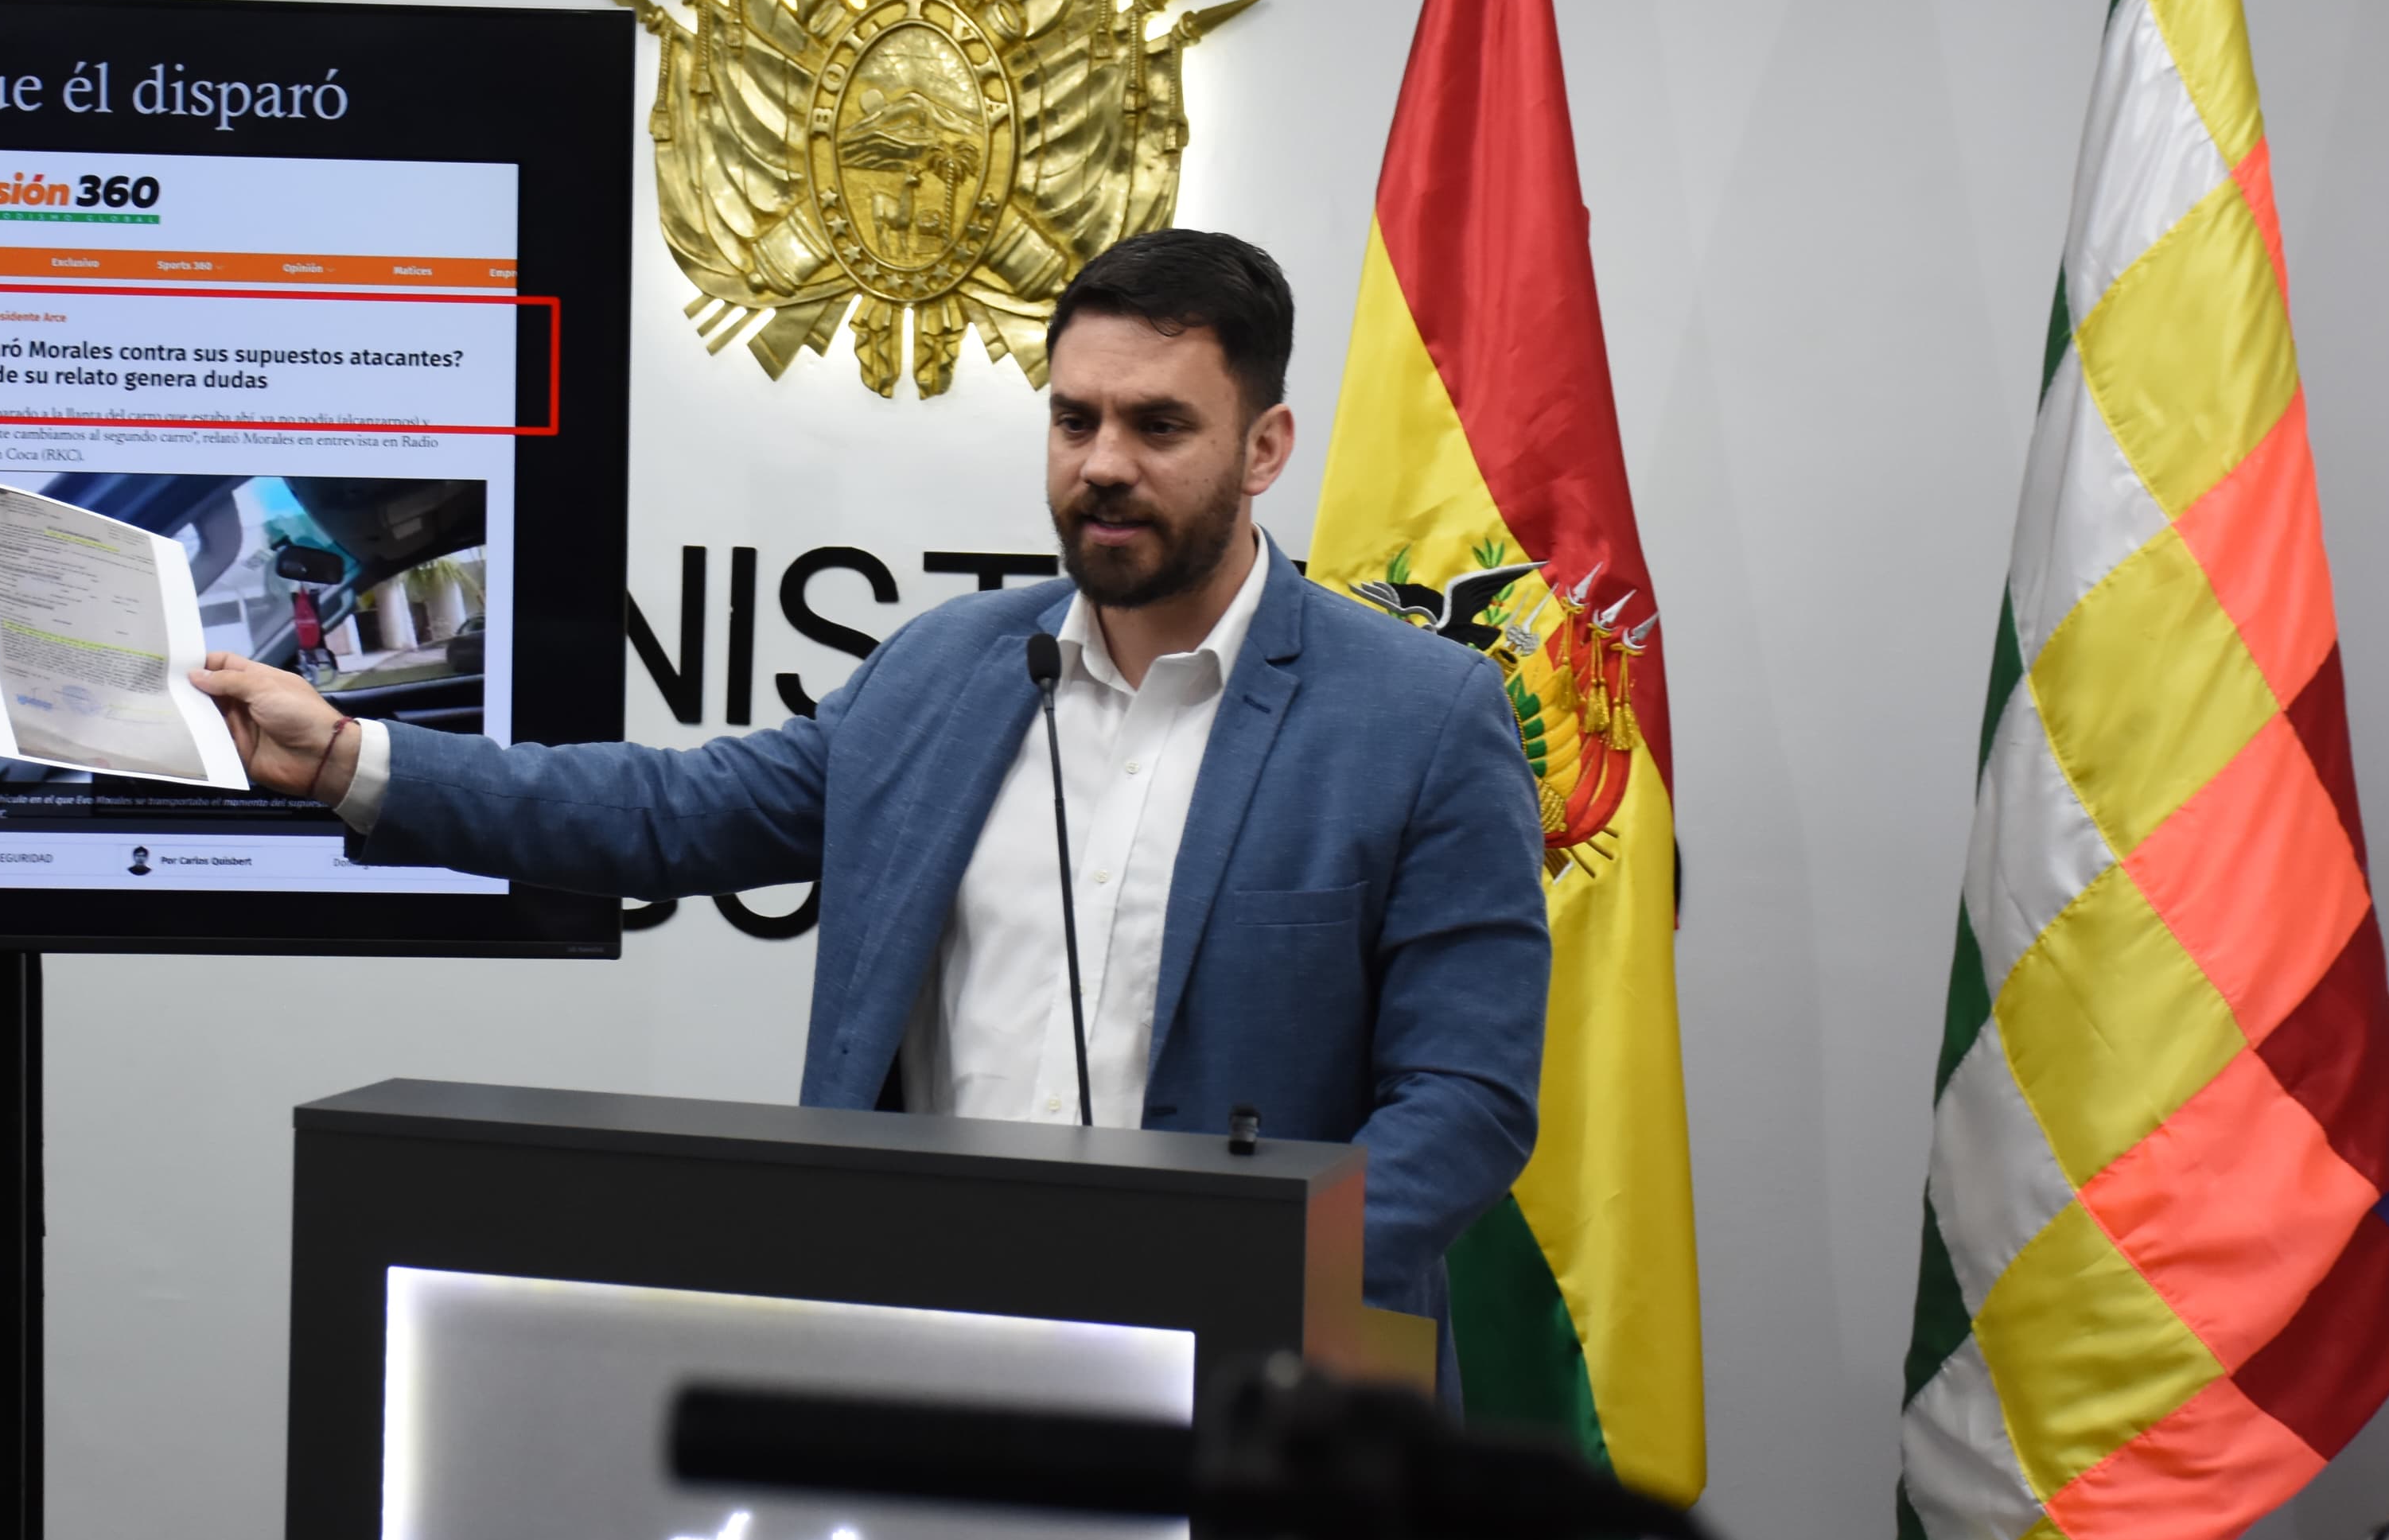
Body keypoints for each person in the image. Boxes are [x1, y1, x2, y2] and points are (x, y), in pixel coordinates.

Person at [191, 231, 1549, 1320]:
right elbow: (672, 813)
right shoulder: (944, 671)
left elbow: (1466, 1099)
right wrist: (355, 759)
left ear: (1265, 446)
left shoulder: (1421, 719)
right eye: (1074, 420)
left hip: (1266, 1384)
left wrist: (1255, 1273)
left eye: (1158, 424)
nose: (1103, 466)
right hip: (922, 1339)